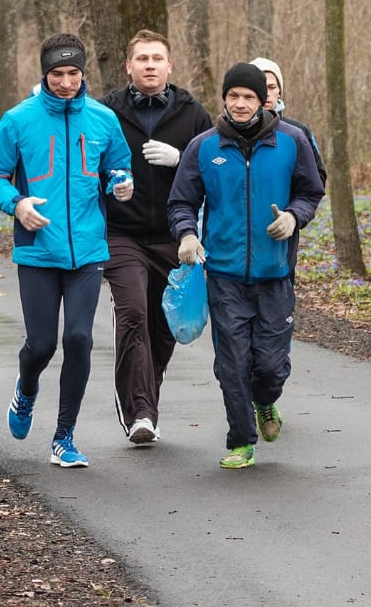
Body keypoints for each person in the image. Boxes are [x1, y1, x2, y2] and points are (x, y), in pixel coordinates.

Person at [0, 34, 135, 468]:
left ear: (84, 73)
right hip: (38, 251)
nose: (66, 82)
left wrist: (121, 183)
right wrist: (18, 203)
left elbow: (118, 167)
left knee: (80, 339)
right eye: (57, 74)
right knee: (41, 346)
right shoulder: (18, 120)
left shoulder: (104, 119)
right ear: (44, 74)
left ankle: (64, 436)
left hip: (88, 249)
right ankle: (26, 388)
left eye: (73, 73)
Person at [167, 63, 325, 470]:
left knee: (271, 366)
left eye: (248, 97)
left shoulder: (292, 141)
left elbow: (311, 191)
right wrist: (187, 235)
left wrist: (293, 217)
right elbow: (181, 201)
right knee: (232, 363)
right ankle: (241, 441)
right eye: (233, 96)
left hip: (275, 274)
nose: (239, 103)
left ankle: (265, 400)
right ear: (224, 99)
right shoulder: (204, 147)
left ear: (262, 101)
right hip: (223, 275)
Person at [100, 30, 213, 444]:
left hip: (174, 235)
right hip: (121, 233)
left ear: (170, 66)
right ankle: (140, 414)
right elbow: (88, 169)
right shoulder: (106, 112)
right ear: (128, 66)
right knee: (133, 315)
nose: (150, 65)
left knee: (164, 327)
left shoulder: (192, 113)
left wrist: (181, 159)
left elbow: (212, 170)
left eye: (157, 58)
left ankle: (148, 401)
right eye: (142, 59)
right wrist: (110, 184)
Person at [249, 57, 327, 186]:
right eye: (261, 86)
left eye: (271, 87)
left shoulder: (299, 132)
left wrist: (293, 203)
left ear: (279, 91)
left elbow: (317, 179)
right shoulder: (230, 131)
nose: (266, 93)